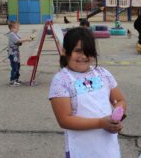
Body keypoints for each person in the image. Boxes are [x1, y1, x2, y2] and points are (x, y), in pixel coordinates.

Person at [48, 27, 126, 158]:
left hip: (108, 148)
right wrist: (100, 123)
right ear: (64, 51)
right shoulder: (61, 80)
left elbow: (120, 100)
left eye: (88, 52)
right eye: (78, 51)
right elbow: (64, 120)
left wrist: (117, 117)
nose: (83, 56)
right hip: (80, 149)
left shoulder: (103, 74)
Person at [6, 21, 32, 86]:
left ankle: (16, 79)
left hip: (16, 54)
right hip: (13, 54)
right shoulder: (11, 34)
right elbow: (19, 40)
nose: (18, 29)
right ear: (11, 28)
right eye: (16, 28)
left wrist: (27, 39)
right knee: (14, 67)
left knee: (18, 66)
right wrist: (27, 40)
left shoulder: (15, 34)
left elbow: (20, 41)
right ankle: (12, 81)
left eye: (18, 28)